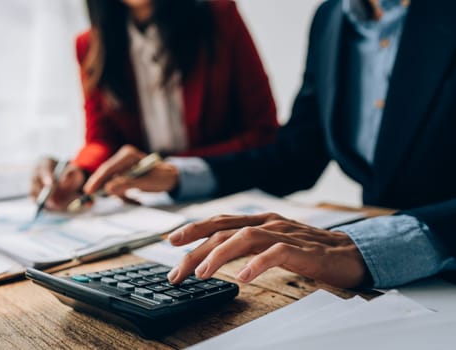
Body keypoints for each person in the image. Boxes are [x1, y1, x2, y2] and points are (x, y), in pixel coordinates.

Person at [85, 0, 456, 289]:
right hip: (384, 278)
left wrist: (373, 244)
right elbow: (297, 155)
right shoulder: (331, 18)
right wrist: (180, 175)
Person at [30, 0, 278, 210]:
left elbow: (264, 132)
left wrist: (173, 170)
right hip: (153, 210)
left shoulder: (219, 16)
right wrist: (80, 171)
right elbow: (102, 138)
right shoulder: (90, 45)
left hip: (229, 198)